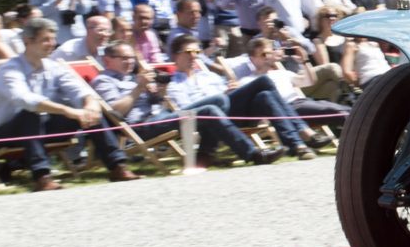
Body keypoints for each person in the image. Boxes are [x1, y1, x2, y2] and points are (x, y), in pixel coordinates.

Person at [0, 18, 136, 189]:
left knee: (90, 111)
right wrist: (67, 111)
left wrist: (89, 104)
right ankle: (42, 177)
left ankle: (117, 166)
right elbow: (25, 100)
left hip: (40, 128)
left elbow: (80, 89)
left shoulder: (53, 66)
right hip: (1, 135)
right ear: (28, 41)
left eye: (53, 39)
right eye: (45, 40)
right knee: (31, 114)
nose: (52, 44)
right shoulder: (10, 69)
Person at [91, 41, 283, 168]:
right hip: (139, 127)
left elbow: (156, 102)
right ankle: (249, 153)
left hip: (161, 115)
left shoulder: (133, 79)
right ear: (108, 60)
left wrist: (159, 92)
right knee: (210, 110)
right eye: (123, 58)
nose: (129, 62)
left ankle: (209, 152)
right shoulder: (104, 81)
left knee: (220, 100)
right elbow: (115, 113)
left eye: (131, 57)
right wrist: (138, 89)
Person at [164, 34, 329, 160]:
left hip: (234, 113)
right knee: (264, 81)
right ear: (176, 56)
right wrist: (222, 96)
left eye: (197, 51)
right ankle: (302, 134)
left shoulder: (209, 76)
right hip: (213, 120)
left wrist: (231, 88)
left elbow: (228, 91)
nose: (194, 56)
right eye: (189, 52)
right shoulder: (175, 85)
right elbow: (188, 113)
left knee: (264, 95)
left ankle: (298, 145)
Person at [234, 37, 349, 127]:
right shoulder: (248, 81)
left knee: (346, 109)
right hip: (287, 108)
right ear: (252, 59)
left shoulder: (281, 73)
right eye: (263, 54)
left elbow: (309, 82)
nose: (268, 56)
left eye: (270, 52)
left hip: (302, 102)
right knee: (335, 111)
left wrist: (304, 61)